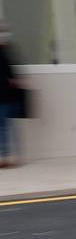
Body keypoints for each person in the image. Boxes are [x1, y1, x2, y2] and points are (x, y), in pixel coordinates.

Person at [0, 21, 23, 168]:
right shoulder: (6, 50)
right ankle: (10, 156)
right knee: (7, 126)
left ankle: (9, 156)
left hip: (7, 95)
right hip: (5, 94)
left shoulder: (6, 51)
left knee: (5, 126)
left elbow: (9, 72)